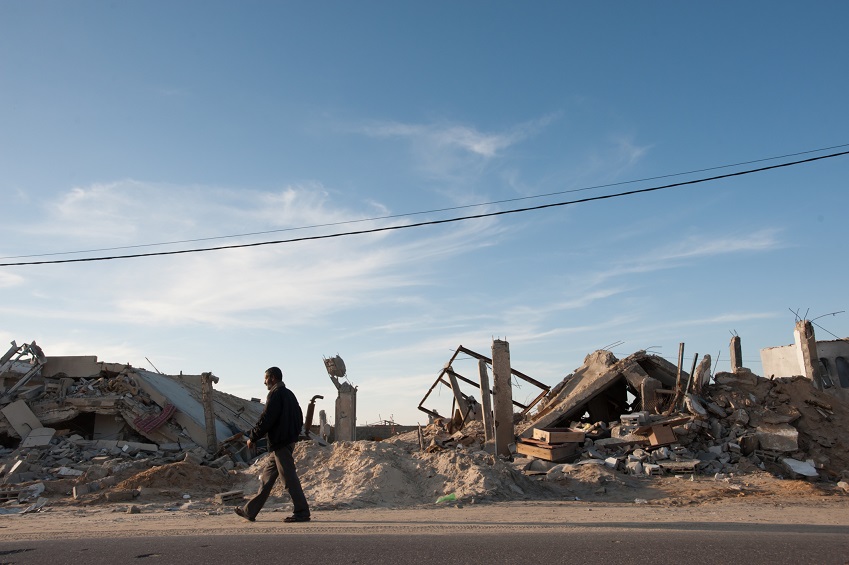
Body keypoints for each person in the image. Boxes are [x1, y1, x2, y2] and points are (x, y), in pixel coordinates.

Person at [234, 366, 311, 523]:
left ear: (273, 378)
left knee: (289, 479)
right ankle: (250, 511)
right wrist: (293, 436)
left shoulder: (275, 394)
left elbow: (266, 419)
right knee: (266, 479)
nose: (264, 382)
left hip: (281, 444)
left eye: (266, 378)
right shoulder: (290, 395)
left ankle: (302, 512)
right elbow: (299, 417)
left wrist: (253, 437)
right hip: (281, 444)